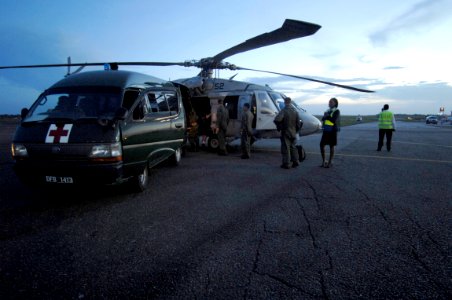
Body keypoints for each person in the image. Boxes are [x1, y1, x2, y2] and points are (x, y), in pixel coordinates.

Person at [274, 97, 301, 169]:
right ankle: (296, 161)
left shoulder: (284, 110)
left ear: (285, 102)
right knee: (293, 147)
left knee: (286, 148)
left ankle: (287, 163)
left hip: (285, 132)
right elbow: (298, 123)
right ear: (291, 102)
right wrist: (296, 130)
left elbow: (277, 120)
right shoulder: (295, 111)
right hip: (293, 132)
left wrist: (279, 127)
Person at [320, 97, 340, 168]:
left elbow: (333, 120)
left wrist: (327, 116)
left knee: (331, 146)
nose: (329, 103)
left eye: (331, 102)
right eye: (329, 102)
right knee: (321, 145)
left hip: (332, 131)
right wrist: (325, 116)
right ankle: (324, 161)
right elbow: (323, 119)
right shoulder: (327, 110)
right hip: (326, 130)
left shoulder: (337, 111)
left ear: (335, 103)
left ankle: (330, 161)